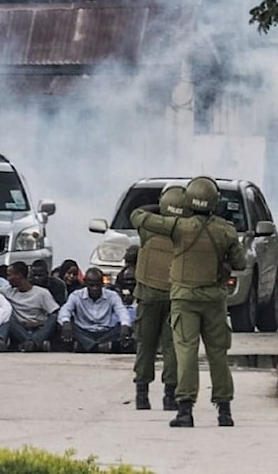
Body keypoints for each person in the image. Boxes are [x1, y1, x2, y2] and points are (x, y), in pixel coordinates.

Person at [132, 176, 246, 428]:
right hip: (215, 300)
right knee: (218, 354)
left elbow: (138, 217)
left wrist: (162, 208)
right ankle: (224, 411)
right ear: (215, 201)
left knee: (186, 352)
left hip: (184, 299)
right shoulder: (226, 230)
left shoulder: (178, 227)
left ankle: (185, 410)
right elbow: (241, 263)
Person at [131, 185, 184, 411]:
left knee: (146, 346)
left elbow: (136, 213)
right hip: (175, 295)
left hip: (148, 295)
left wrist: (161, 209)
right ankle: (169, 395)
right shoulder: (187, 230)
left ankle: (142, 394)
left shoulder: (148, 229)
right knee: (172, 348)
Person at [57, 267, 131, 353]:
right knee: (66, 325)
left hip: (105, 332)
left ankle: (88, 346)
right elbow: (65, 310)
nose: (95, 288)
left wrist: (125, 325)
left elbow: (122, 311)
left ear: (102, 283)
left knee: (124, 328)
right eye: (91, 285)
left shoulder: (112, 296)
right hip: (83, 332)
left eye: (98, 285)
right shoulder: (76, 295)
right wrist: (66, 322)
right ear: (85, 283)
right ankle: (99, 347)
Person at [1, 261, 60, 352]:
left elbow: (55, 313)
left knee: (54, 318)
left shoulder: (41, 293)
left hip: (38, 329)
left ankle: (30, 343)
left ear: (19, 275)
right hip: (20, 329)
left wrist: (38, 323)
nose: (7, 279)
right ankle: (35, 344)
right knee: (7, 318)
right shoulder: (7, 291)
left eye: (9, 275)